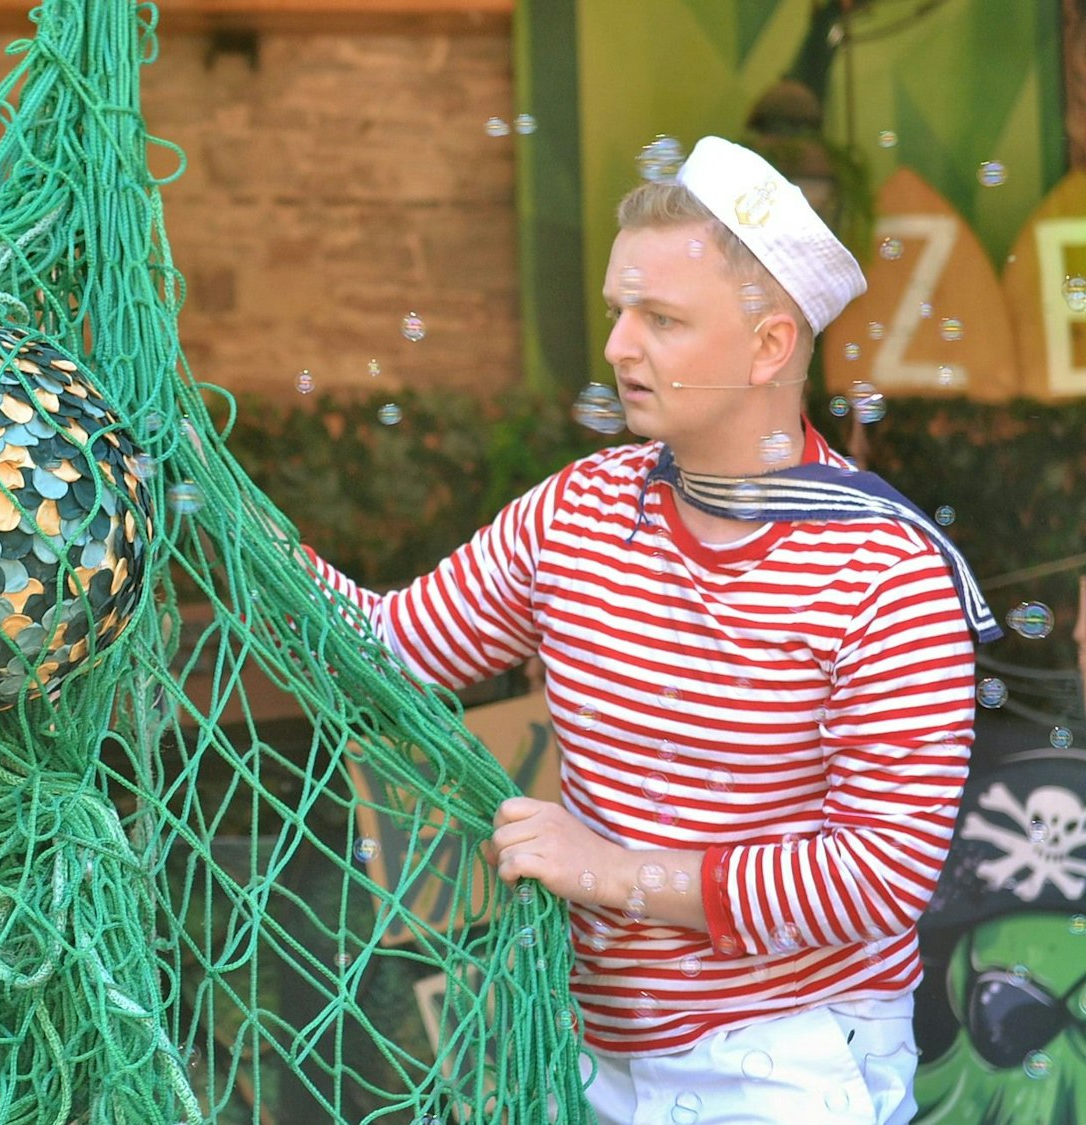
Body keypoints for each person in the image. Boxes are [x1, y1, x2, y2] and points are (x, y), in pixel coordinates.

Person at [307, 137, 995, 1122]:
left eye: (659, 319)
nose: (618, 347)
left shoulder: (885, 570)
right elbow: (395, 652)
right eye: (614, 312)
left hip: (789, 1062)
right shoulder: (577, 509)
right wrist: (224, 520)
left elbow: (877, 875)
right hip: (590, 1050)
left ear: (767, 345)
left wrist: (616, 874)